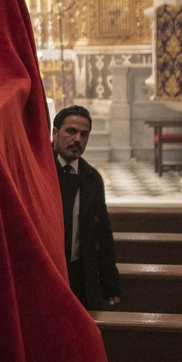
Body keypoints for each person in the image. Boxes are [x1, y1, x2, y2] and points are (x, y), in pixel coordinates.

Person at [51, 106, 122, 310]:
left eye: (84, 134)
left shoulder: (92, 178)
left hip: (79, 276)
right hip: (45, 272)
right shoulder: (37, 168)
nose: (77, 140)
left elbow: (103, 233)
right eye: (70, 131)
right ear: (55, 133)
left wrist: (111, 284)